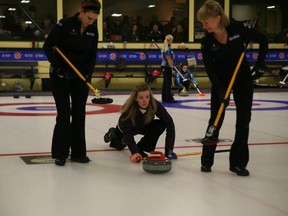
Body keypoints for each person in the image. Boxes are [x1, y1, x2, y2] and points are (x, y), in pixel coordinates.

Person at [197, 0, 268, 176]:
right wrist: (220, 90)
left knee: (243, 122)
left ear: (218, 18)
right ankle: (207, 161)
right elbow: (210, 69)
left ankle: (238, 163)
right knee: (215, 120)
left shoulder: (237, 29)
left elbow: (263, 40)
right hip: (221, 82)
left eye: (206, 22)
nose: (204, 26)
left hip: (242, 80)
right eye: (202, 23)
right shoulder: (206, 42)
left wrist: (259, 65)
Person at [43, 0, 101, 166]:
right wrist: (58, 67)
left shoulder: (92, 29)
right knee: (64, 114)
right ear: (81, 11)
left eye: (94, 19)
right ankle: (60, 153)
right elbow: (48, 46)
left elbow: (93, 54)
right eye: (89, 17)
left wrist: (88, 75)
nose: (91, 21)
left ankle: (78, 153)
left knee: (78, 113)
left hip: (80, 77)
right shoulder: (65, 25)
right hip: (60, 76)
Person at [103, 83, 177, 163]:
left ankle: (142, 148)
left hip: (143, 125)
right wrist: (135, 152)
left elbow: (169, 123)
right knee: (120, 146)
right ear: (136, 98)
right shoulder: (128, 111)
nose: (145, 101)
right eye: (141, 97)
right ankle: (112, 133)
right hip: (126, 129)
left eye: (147, 97)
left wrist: (169, 150)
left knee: (161, 124)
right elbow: (128, 134)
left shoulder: (154, 104)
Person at [161, 34, 176, 102]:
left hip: (163, 66)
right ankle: (169, 98)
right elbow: (168, 59)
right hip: (167, 66)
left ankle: (164, 97)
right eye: (172, 40)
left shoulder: (163, 48)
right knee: (168, 82)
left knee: (165, 82)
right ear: (169, 40)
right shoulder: (168, 48)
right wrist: (172, 67)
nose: (172, 41)